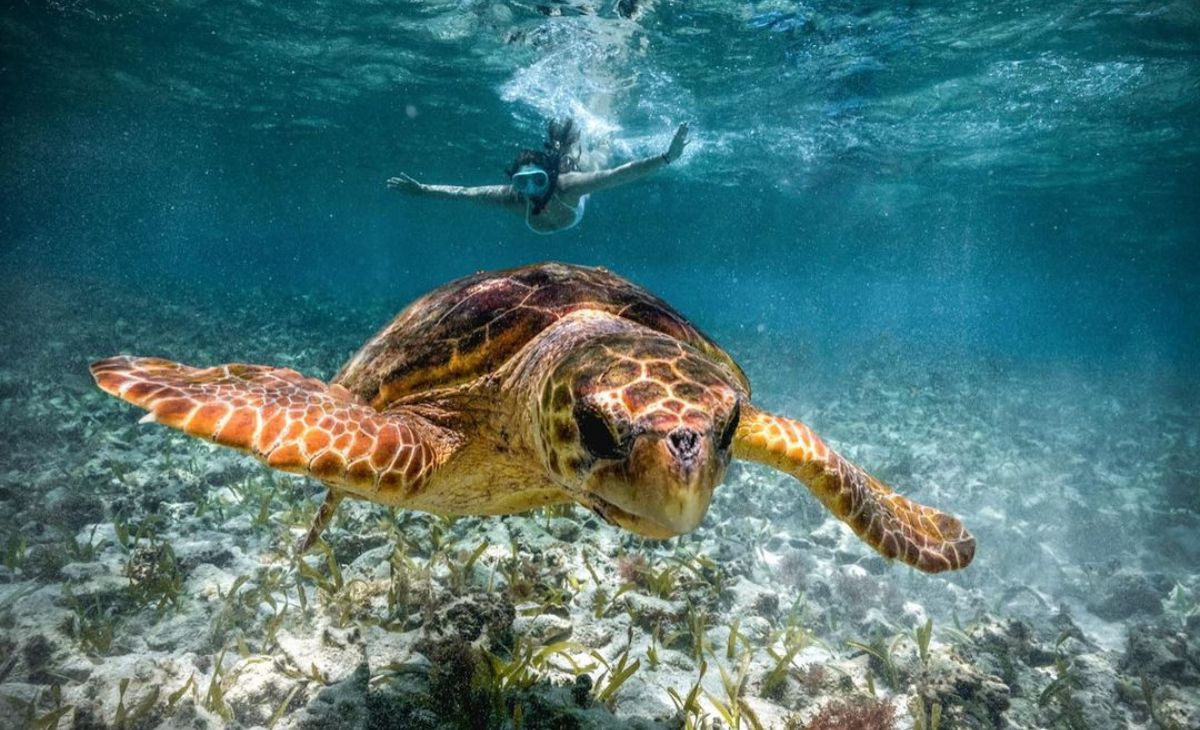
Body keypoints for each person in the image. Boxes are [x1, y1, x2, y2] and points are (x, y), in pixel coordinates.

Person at [387, 120, 689, 234]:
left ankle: (604, 132)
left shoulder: (568, 187)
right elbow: (464, 193)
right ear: (514, 182)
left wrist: (666, 158)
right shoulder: (512, 198)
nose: (529, 191)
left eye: (537, 181)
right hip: (563, 179)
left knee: (597, 158)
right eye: (522, 182)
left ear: (547, 178)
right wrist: (423, 189)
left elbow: (616, 176)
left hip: (575, 174)